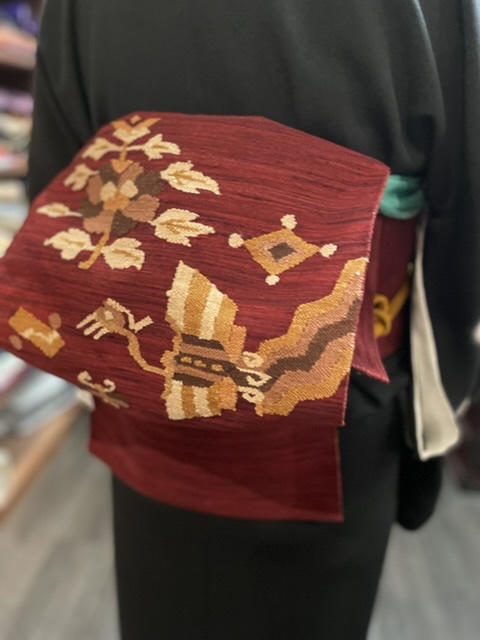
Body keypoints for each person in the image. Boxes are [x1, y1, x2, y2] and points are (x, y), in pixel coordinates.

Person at [28, 1, 480, 639]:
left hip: (148, 378)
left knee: (162, 603)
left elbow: (55, 184)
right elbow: (464, 202)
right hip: (338, 387)